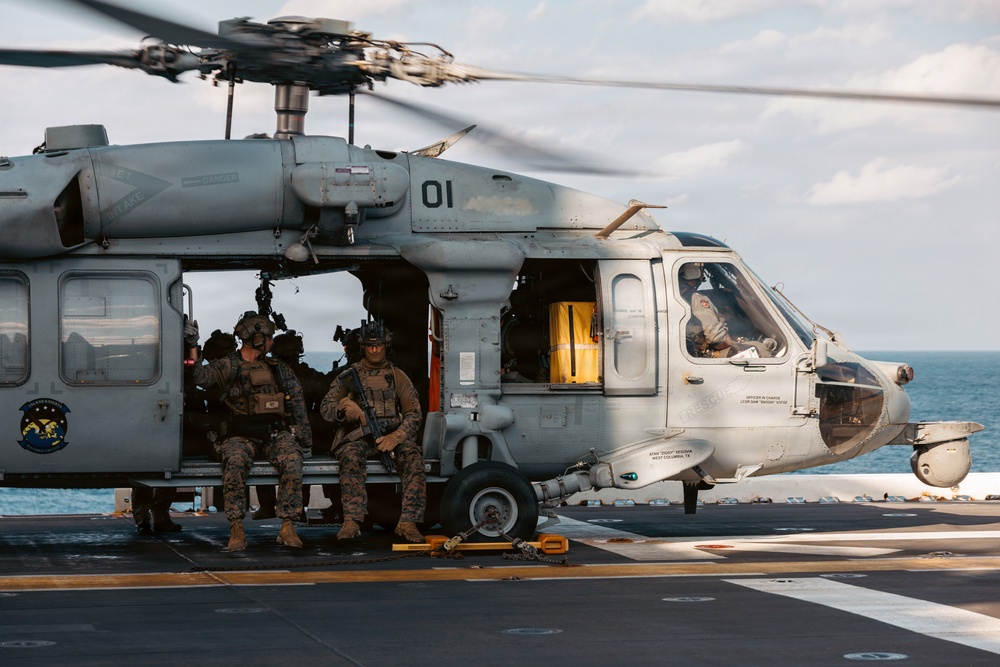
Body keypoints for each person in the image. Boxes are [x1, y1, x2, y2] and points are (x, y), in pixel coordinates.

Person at [185, 311, 311, 552]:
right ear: (257, 339)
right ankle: (237, 529)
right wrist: (193, 346)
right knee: (234, 462)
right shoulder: (228, 365)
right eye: (268, 338)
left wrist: (304, 442)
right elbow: (200, 377)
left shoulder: (277, 368)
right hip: (240, 434)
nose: (271, 342)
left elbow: (297, 403)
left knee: (293, 460)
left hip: (273, 433)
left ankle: (287, 526)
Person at [320, 321, 426, 542]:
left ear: (386, 346)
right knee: (350, 456)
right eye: (370, 345)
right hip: (359, 437)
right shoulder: (350, 376)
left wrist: (398, 435)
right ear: (363, 347)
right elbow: (325, 408)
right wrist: (344, 409)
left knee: (413, 456)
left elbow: (414, 414)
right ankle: (352, 521)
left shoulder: (397, 376)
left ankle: (408, 522)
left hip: (390, 437)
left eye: (379, 345)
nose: (375, 349)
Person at [253, 330, 334, 521]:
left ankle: (268, 506)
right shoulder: (308, 375)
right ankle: (298, 508)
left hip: (279, 431)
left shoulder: (268, 375)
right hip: (299, 432)